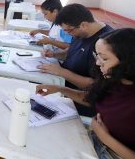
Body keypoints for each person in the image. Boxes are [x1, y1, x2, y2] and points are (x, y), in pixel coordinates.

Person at [36, 28, 135, 159]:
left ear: (128, 61)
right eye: (97, 56)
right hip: (96, 139)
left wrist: (104, 137)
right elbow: (93, 98)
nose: (98, 63)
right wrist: (60, 89)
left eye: (104, 58)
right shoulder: (115, 79)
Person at [39, 3, 113, 116]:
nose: (69, 35)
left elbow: (95, 86)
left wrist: (61, 72)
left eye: (69, 31)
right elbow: (72, 52)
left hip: (80, 100)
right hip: (63, 87)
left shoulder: (105, 45)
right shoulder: (81, 33)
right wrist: (54, 54)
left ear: (83, 25)